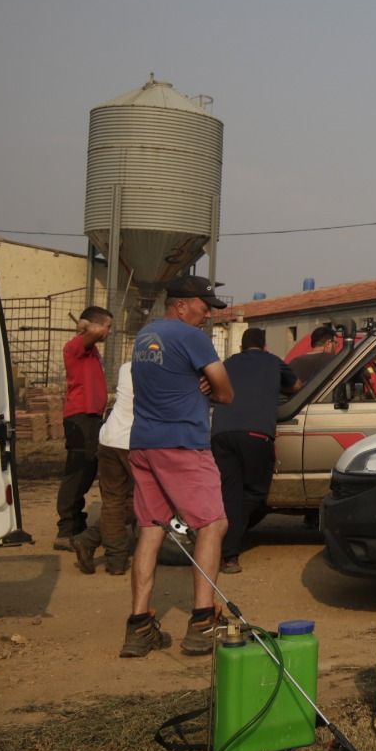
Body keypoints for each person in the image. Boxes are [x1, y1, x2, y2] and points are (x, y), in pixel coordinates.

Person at [121, 276, 234, 658]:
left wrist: (192, 381)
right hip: (183, 443)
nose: (207, 314)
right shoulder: (190, 336)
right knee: (212, 524)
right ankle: (203, 620)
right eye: (204, 306)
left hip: (143, 443)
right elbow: (225, 391)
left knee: (151, 529)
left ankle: (139, 626)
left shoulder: (144, 336)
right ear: (182, 304)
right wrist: (207, 382)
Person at [210, 328, 296, 575]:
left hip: (221, 434)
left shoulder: (227, 363)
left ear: (241, 347)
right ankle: (228, 536)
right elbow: (296, 385)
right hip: (256, 434)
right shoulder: (273, 362)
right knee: (256, 493)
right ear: (265, 345)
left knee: (230, 492)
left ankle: (228, 556)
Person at [56, 306, 112, 550]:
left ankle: (77, 524)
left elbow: (94, 335)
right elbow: (93, 334)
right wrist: (87, 327)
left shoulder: (91, 351)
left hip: (92, 417)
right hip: (80, 418)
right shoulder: (77, 346)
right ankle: (66, 530)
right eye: (108, 326)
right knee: (77, 472)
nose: (108, 332)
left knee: (88, 470)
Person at [70, 361, 135, 575]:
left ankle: (92, 544)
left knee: (115, 500)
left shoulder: (126, 366)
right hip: (132, 442)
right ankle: (114, 557)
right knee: (140, 501)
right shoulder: (159, 369)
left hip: (109, 437)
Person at [288, 325, 341, 390]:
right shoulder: (335, 360)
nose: (337, 346)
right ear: (328, 343)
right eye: (336, 343)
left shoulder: (295, 362)